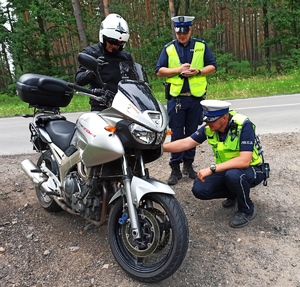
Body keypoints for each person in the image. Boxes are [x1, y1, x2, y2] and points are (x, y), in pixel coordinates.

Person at [163, 100, 267, 228]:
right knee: (199, 189)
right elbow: (186, 143)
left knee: (234, 176)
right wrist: (159, 148)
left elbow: (244, 161)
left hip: (253, 169)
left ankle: (247, 210)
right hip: (228, 169)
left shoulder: (243, 125)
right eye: (206, 120)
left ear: (224, 117)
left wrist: (212, 169)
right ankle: (233, 193)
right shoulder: (210, 127)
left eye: (211, 120)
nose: (207, 123)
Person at [155, 15, 217, 185]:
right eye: (178, 32)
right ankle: (175, 168)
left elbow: (213, 66)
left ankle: (188, 166)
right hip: (176, 99)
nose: (181, 35)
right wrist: (178, 70)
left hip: (195, 99)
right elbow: (159, 71)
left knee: (192, 133)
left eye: (184, 32)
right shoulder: (168, 48)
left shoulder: (201, 46)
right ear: (175, 31)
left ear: (190, 30)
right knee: (176, 134)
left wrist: (198, 72)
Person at [75, 13, 133, 111]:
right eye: (111, 42)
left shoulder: (125, 56)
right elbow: (79, 80)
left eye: (119, 44)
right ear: (103, 37)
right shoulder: (91, 52)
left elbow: (134, 80)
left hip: (124, 105)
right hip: (100, 104)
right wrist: (92, 72)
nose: (115, 46)